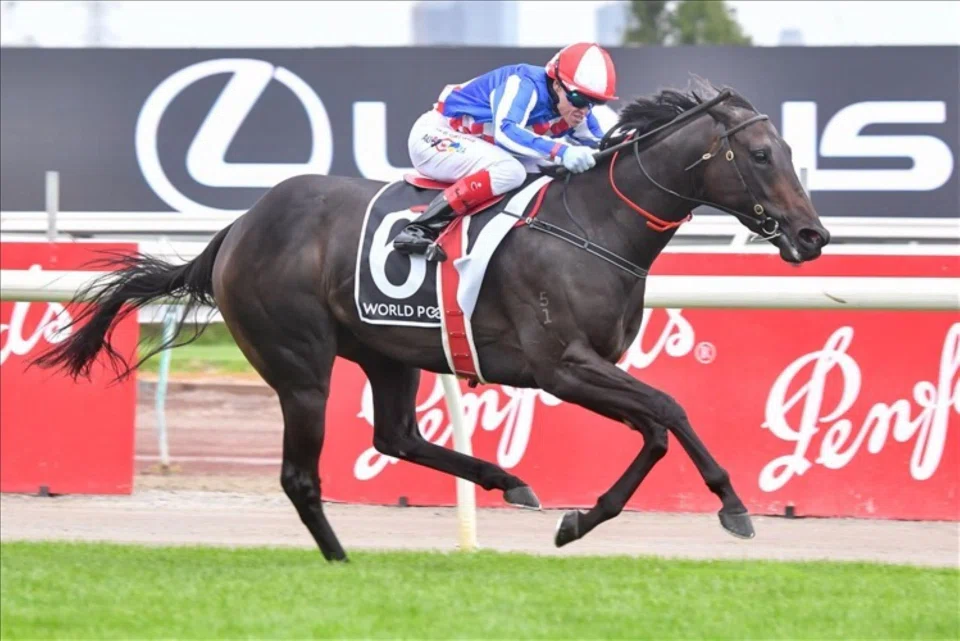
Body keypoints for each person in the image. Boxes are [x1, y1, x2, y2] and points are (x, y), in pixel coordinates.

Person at [391, 42, 619, 261]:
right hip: (436, 135)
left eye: (594, 102)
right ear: (557, 84)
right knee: (511, 171)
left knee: (546, 172)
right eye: (578, 99)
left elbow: (607, 143)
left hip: (479, 144)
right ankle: (420, 228)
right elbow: (506, 131)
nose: (584, 110)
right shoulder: (523, 84)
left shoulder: (577, 111)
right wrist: (562, 151)